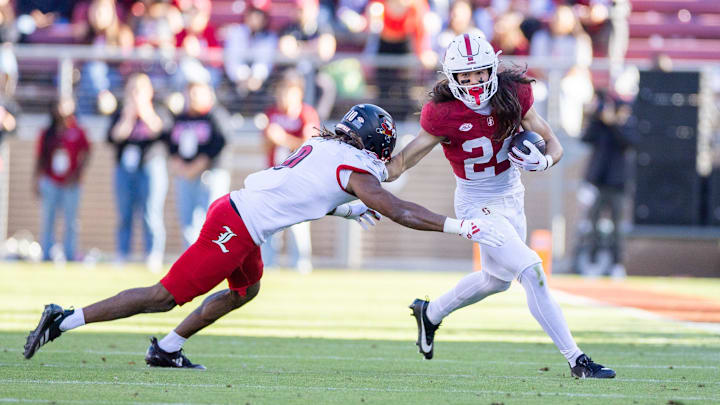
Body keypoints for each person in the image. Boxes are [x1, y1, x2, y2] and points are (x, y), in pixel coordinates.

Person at [23, 104, 505, 370]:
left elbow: (304, 191)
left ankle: (166, 349)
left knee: (245, 291)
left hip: (238, 213)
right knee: (163, 295)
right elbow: (397, 209)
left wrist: (346, 209)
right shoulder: (355, 167)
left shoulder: (322, 144)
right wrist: (460, 226)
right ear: (378, 144)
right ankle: (64, 319)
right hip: (235, 227)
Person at [385, 32, 616, 379]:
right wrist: (366, 175)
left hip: (512, 195)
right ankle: (577, 360)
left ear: (491, 69)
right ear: (452, 78)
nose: (475, 81)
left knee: (496, 280)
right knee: (532, 272)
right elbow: (403, 161)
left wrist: (546, 162)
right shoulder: (442, 113)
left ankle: (430, 313)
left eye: (480, 72)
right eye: (466, 75)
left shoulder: (513, 94)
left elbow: (554, 143)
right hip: (476, 202)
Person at [108, 73, 170, 271]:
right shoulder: (120, 112)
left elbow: (160, 131)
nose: (136, 94)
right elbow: (114, 137)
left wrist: (144, 111)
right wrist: (128, 116)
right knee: (124, 213)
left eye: (140, 89)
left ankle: (153, 254)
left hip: (151, 165)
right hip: (125, 168)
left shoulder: (159, 110)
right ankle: (122, 254)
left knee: (151, 213)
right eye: (132, 89)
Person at [261, 70, 320, 273]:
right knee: (270, 223)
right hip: (274, 176)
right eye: (281, 91)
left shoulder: (307, 114)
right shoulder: (272, 113)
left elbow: (309, 147)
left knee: (298, 223)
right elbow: (265, 146)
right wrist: (272, 138)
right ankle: (269, 264)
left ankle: (301, 264)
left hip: (298, 178)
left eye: (289, 91)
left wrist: (283, 138)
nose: (284, 96)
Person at [573, 89, 636, 278]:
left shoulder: (625, 125)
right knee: (592, 223)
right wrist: (594, 117)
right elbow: (585, 138)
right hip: (598, 182)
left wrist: (614, 124)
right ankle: (592, 261)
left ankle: (617, 264)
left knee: (617, 227)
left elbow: (629, 142)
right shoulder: (599, 126)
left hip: (617, 183)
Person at [165, 80, 228, 247]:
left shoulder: (215, 116)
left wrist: (199, 164)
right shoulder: (181, 118)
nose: (192, 97)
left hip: (210, 174)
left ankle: (211, 257)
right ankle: (191, 257)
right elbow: (170, 143)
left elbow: (221, 142)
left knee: (210, 218)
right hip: (184, 174)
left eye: (196, 93)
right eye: (189, 93)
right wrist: (179, 165)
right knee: (187, 220)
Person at [32, 98, 91, 262]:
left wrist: (77, 174)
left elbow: (86, 153)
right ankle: (46, 254)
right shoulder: (47, 132)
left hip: (71, 183)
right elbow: (39, 157)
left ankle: (70, 254)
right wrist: (36, 180)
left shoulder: (78, 130)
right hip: (50, 180)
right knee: (48, 219)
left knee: (71, 220)